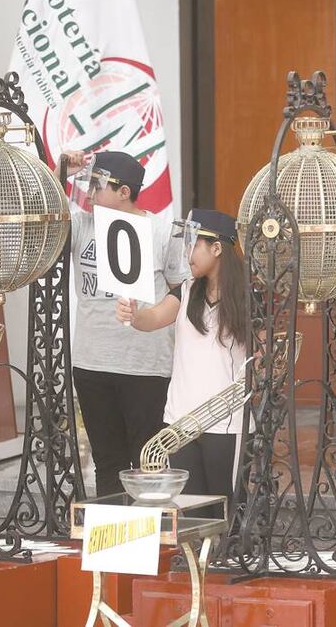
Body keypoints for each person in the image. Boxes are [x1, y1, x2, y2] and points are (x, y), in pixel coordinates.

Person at [62, 150, 189, 497]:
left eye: (98, 185)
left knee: (149, 460)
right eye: (88, 184)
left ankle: (152, 543)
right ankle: (112, 541)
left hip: (145, 365)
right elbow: (43, 215)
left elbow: (181, 290)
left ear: (124, 191)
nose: (89, 192)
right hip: (91, 362)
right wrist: (61, 171)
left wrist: (148, 317)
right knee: (107, 461)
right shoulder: (81, 224)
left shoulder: (163, 230)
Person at [116, 209, 246, 519]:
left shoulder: (246, 298)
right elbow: (153, 318)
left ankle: (226, 562)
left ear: (217, 248)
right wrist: (133, 314)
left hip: (226, 421)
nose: (187, 254)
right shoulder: (186, 291)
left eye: (194, 244)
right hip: (181, 421)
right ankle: (198, 563)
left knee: (225, 507)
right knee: (191, 509)